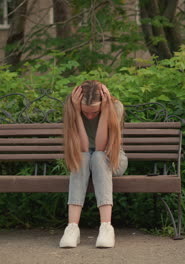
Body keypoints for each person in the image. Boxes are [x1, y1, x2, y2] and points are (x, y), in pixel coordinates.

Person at [59, 80, 128, 248]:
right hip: (83, 160)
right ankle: (72, 228)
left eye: (94, 112)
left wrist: (105, 112)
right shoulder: (72, 108)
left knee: (97, 156)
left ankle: (106, 227)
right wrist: (76, 112)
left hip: (112, 159)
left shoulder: (115, 107)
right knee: (83, 157)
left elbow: (100, 147)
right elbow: (82, 148)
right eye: (85, 112)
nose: (89, 116)